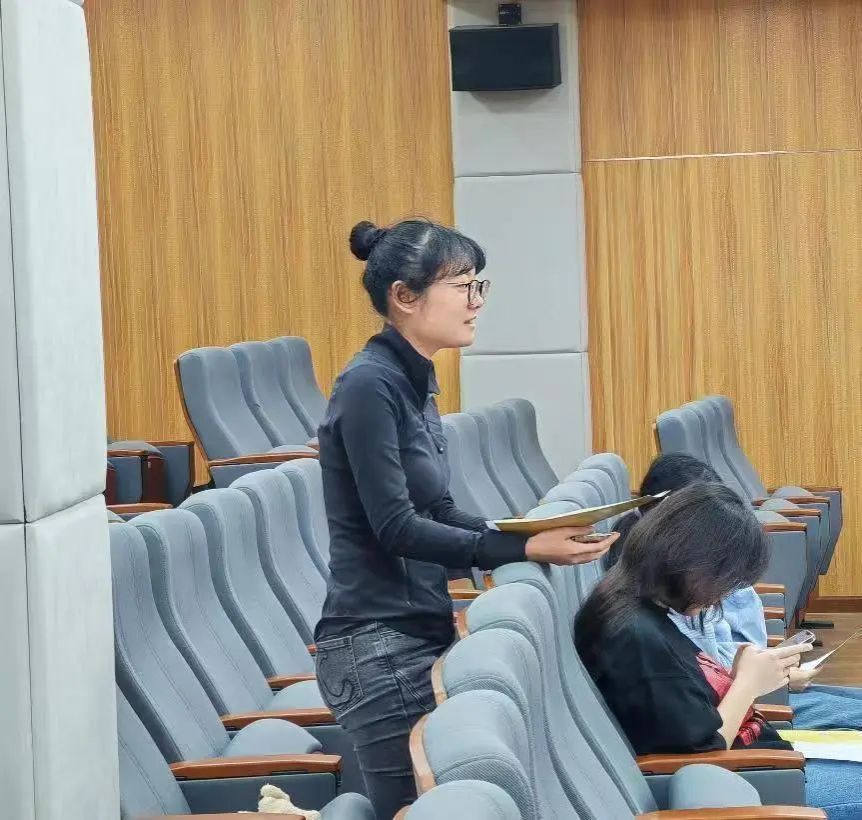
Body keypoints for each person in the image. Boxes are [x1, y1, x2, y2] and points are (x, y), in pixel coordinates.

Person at [314, 218, 619, 819]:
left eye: (479, 286)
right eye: (463, 287)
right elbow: (396, 528)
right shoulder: (368, 387)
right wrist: (521, 551)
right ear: (405, 296)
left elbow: (440, 510)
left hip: (414, 631)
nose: (476, 302)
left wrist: (524, 533)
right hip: (376, 644)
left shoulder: (411, 382)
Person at [576, 482, 862, 817]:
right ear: (694, 563)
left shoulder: (634, 603)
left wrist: (741, 676)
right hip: (761, 779)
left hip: (765, 761)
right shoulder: (636, 638)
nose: (721, 597)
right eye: (724, 581)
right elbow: (703, 755)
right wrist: (747, 684)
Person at [611, 454, 862, 734]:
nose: (719, 602)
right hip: (749, 715)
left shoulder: (672, 589)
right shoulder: (649, 623)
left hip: (748, 703)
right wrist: (760, 680)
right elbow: (709, 733)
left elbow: (710, 683)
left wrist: (759, 672)